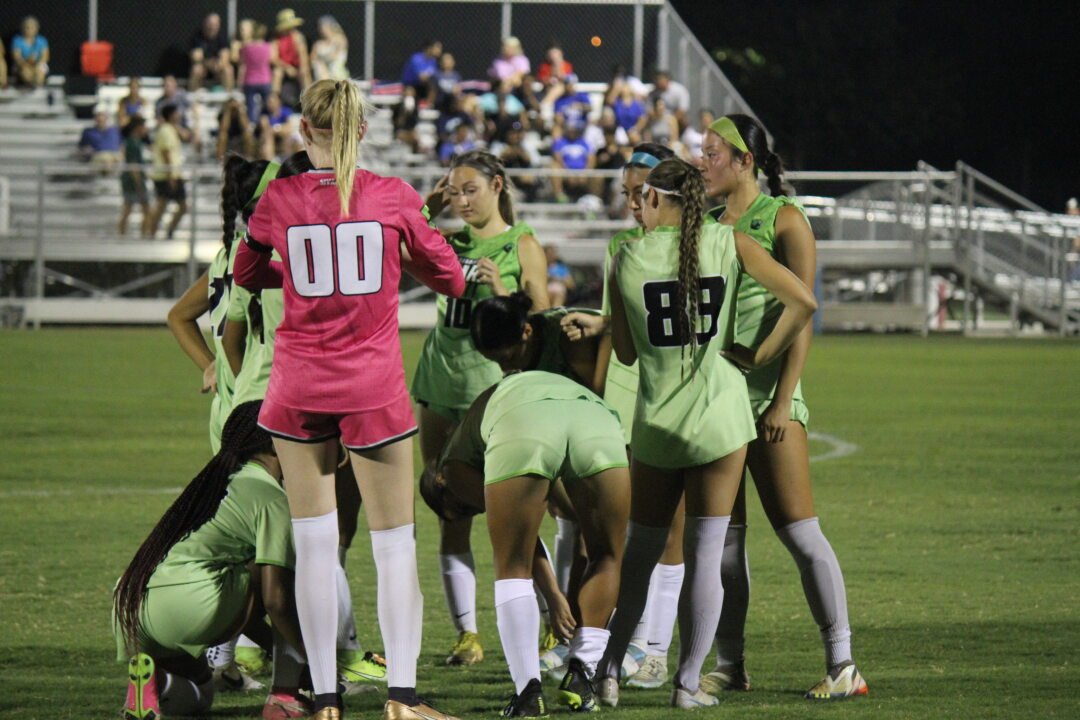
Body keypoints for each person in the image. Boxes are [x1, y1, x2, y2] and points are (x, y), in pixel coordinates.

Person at [233, 78, 466, 720]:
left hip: (297, 385)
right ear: (362, 132)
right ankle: (401, 701)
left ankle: (327, 699)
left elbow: (247, 273)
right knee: (393, 547)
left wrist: (296, 272)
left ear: (303, 131)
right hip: (371, 385)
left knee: (312, 547)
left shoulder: (277, 199)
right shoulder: (391, 196)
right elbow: (448, 274)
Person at [595, 157, 817, 710]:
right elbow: (803, 301)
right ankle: (687, 684)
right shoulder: (730, 242)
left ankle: (607, 673)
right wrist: (758, 353)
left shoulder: (624, 257)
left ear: (652, 200)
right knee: (706, 552)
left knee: (641, 553)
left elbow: (623, 351)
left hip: (657, 422)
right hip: (721, 414)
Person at [697, 114, 868, 701]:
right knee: (725, 542)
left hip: (769, 397)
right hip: (719, 401)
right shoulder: (709, 225)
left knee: (799, 531)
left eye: (713, 153)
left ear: (745, 160)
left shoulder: (785, 219)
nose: (703, 163)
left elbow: (804, 312)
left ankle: (843, 663)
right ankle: (731, 663)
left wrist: (780, 398)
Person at [219, 152, 389, 691]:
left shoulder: (248, 247)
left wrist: (226, 377)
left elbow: (227, 327)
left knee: (254, 537)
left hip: (243, 405)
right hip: (290, 405)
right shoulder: (306, 245)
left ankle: (232, 653)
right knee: (319, 535)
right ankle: (345, 654)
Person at [411, 150, 549, 668]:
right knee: (450, 508)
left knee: (520, 516)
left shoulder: (522, 243)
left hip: (495, 391)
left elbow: (542, 311)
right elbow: (397, 242)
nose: (462, 200)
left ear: (497, 185)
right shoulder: (446, 241)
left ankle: (548, 623)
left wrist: (502, 290)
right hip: (442, 385)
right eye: (454, 191)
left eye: (470, 189)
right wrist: (428, 206)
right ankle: (467, 635)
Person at [560, 143, 688, 691]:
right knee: (605, 531)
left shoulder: (696, 248)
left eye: (642, 193)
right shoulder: (621, 247)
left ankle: (654, 649)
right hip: (618, 399)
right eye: (628, 194)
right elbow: (620, 326)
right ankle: (598, 643)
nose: (634, 204)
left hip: (665, 399)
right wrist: (595, 342)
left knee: (669, 532)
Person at [430, 370, 629, 714]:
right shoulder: (478, 419)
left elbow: (521, 542)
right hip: (595, 417)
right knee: (608, 554)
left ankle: (528, 693)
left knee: (512, 568)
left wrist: (553, 596)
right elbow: (572, 517)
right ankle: (582, 675)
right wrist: (556, 590)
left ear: (440, 484)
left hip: (524, 423)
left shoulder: (450, 469)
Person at [113, 401, 310, 720]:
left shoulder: (211, 485)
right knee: (293, 578)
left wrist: (277, 648)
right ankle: (284, 697)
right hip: (197, 604)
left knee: (200, 695)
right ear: (276, 443)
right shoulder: (271, 499)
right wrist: (310, 659)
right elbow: (275, 601)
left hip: (136, 610)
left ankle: (155, 681)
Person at [148, 104, 187, 239]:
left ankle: (167, 231)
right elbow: (166, 153)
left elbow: (187, 136)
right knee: (162, 206)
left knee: (180, 206)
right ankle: (152, 233)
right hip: (167, 175)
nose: (179, 115)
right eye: (177, 112)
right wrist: (171, 175)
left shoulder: (171, 129)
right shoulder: (165, 130)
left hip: (172, 173)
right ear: (171, 115)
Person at [118, 117, 151, 237]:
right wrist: (139, 183)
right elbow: (133, 166)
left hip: (134, 180)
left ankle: (141, 234)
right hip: (133, 181)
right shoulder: (132, 143)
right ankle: (143, 234)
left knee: (133, 209)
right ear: (138, 128)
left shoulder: (136, 142)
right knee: (137, 209)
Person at [237, 21, 276, 123]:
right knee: (267, 104)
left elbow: (242, 63)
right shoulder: (268, 47)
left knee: (250, 105)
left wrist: (239, 81)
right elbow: (272, 60)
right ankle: (268, 122)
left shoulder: (246, 48)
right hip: (265, 79)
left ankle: (252, 123)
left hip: (249, 80)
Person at [272, 9, 311, 105]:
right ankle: (274, 100)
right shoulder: (276, 40)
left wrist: (302, 69)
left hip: (297, 68)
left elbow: (303, 56)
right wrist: (287, 68)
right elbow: (273, 58)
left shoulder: (298, 37)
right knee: (277, 73)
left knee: (304, 73)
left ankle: (309, 100)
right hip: (283, 68)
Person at [551, 124, 594, 203]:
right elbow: (557, 158)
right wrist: (568, 173)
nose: (572, 131)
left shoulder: (584, 143)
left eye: (574, 130)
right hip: (565, 171)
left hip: (583, 172)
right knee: (554, 167)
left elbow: (591, 158)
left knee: (597, 174)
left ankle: (593, 200)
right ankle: (560, 197)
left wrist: (585, 173)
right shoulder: (560, 142)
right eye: (570, 129)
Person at [190, 13, 234, 91]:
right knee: (196, 69)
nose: (212, 27)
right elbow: (196, 57)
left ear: (219, 25)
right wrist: (209, 64)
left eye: (215, 24)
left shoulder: (223, 37)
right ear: (205, 24)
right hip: (204, 68)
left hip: (218, 68)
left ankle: (228, 96)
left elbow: (225, 57)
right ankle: (194, 95)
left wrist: (218, 65)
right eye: (210, 24)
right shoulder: (197, 37)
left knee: (228, 69)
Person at [78, 107, 123, 172]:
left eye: (102, 116)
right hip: (98, 156)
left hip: (114, 156)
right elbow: (82, 147)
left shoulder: (115, 130)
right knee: (104, 160)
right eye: (98, 116)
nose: (100, 119)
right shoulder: (88, 132)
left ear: (107, 118)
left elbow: (121, 145)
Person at [11, 16, 49, 88]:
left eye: (32, 27)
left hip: (38, 64)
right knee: (26, 74)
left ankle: (38, 88)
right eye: (27, 27)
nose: (29, 30)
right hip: (23, 64)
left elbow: (45, 57)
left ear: (36, 29)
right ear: (22, 28)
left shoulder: (42, 40)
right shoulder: (17, 40)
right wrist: (26, 65)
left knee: (40, 74)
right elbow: (17, 57)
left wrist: (36, 66)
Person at [311, 16, 349, 82]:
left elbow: (335, 56)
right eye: (321, 27)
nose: (322, 29)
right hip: (321, 75)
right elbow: (312, 59)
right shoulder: (318, 44)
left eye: (324, 26)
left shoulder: (340, 39)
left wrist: (321, 61)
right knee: (319, 67)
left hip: (337, 74)